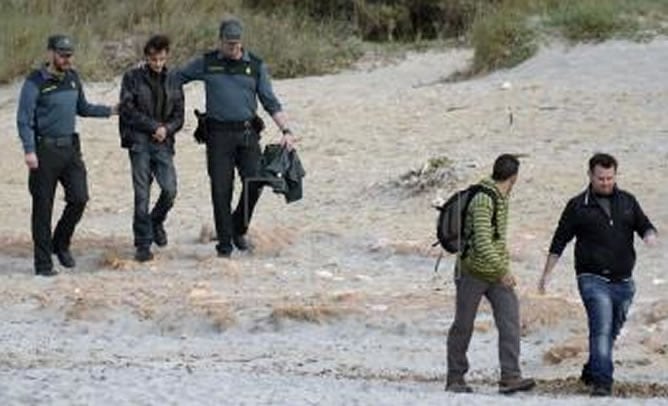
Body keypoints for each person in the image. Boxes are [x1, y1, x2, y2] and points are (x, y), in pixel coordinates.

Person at [538, 153, 657, 397]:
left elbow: (644, 224)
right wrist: (546, 275)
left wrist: (650, 236)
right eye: (601, 178)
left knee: (612, 330)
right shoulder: (577, 205)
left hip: (624, 281)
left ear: (615, 175)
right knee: (601, 328)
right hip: (591, 278)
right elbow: (559, 240)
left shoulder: (627, 201)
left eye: (610, 178)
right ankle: (602, 383)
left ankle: (592, 370)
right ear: (590, 175)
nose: (605, 182)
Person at [176, 17, 296, 258]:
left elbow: (270, 102)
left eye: (237, 43)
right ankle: (224, 247)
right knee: (221, 189)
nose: (233, 48)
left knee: (256, 180)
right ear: (220, 41)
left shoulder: (256, 66)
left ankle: (237, 228)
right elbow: (175, 78)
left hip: (247, 133)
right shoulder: (207, 63)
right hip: (218, 135)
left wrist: (287, 131)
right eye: (229, 43)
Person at [16, 34, 117, 277]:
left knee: (79, 198)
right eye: (62, 54)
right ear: (50, 53)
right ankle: (43, 265)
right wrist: (29, 150)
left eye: (69, 55)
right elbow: (23, 119)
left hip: (71, 149)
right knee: (43, 208)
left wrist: (111, 111)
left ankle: (60, 243)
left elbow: (83, 108)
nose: (66, 59)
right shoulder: (35, 82)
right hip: (44, 151)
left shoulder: (73, 78)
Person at [446, 154, 535, 394]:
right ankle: (455, 378)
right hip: (471, 272)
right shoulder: (484, 200)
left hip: (494, 273)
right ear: (514, 177)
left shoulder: (501, 197)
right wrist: (503, 270)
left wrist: (499, 270)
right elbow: (483, 242)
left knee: (510, 322)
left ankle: (510, 377)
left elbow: (493, 240)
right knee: (463, 325)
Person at [119, 34, 184, 262]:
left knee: (170, 190)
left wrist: (167, 129)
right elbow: (127, 109)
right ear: (147, 57)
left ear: (167, 57)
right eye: (154, 59)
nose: (158, 64)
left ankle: (156, 221)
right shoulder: (132, 78)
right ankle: (142, 244)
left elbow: (179, 115)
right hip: (139, 142)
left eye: (162, 59)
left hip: (163, 142)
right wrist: (153, 126)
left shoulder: (174, 79)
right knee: (141, 195)